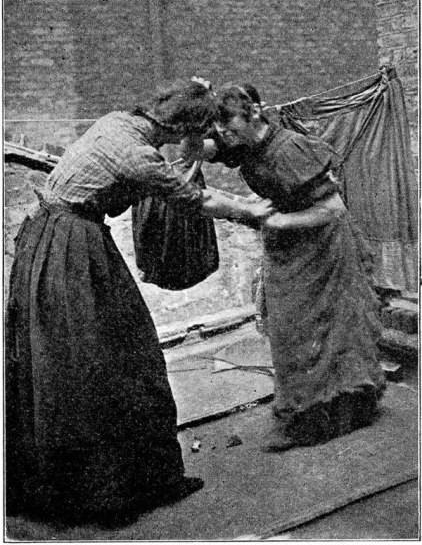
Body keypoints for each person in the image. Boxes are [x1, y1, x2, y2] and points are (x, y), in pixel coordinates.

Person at [5, 78, 275, 527]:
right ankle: (114, 492)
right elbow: (193, 199)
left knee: (64, 361)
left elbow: (181, 156)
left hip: (45, 241)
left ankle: (82, 486)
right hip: (74, 249)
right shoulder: (138, 156)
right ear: (180, 128)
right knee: (116, 361)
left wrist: (197, 104)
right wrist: (249, 210)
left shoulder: (118, 123)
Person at [211, 83, 386, 451]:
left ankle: (331, 414)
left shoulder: (289, 148)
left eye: (228, 124)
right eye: (218, 126)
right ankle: (307, 413)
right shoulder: (243, 143)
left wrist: (278, 221)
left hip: (324, 246)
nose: (223, 133)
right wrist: (194, 106)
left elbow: (334, 210)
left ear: (253, 114)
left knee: (324, 331)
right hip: (289, 249)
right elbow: (198, 149)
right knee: (288, 333)